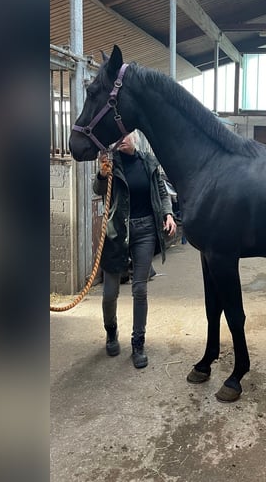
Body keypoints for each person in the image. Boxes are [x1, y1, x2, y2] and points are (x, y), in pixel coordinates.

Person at [93, 131, 177, 368]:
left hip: (145, 230)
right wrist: (101, 174)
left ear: (135, 138)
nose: (120, 140)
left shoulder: (149, 161)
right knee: (110, 292)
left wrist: (168, 213)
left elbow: (161, 192)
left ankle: (138, 342)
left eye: (124, 136)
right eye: (117, 137)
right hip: (116, 230)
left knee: (139, 290)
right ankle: (111, 331)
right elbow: (98, 190)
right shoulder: (109, 161)